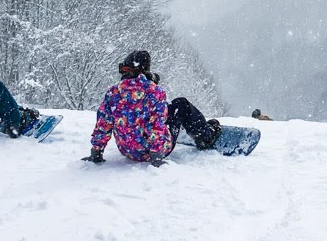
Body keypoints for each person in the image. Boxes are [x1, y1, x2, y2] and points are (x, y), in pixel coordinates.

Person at [82, 50, 222, 165]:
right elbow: (155, 123)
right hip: (151, 151)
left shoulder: (113, 92)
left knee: (163, 109)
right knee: (181, 104)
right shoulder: (154, 92)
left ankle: (103, 150)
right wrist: (156, 156)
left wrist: (96, 151)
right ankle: (205, 137)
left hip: (126, 150)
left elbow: (103, 123)